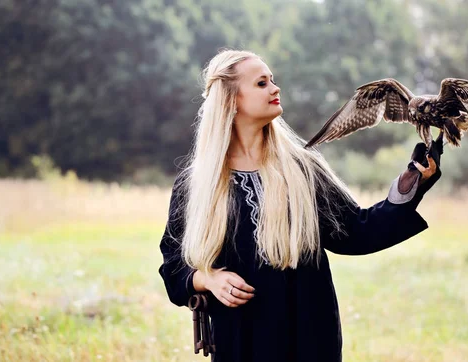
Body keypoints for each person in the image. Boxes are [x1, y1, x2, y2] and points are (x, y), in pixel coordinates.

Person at [158, 49, 442, 362]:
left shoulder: (302, 169)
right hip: (240, 344)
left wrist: (411, 184)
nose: (275, 88)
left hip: (310, 341)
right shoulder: (198, 183)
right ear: (231, 99)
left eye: (273, 80)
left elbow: (357, 232)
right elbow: (173, 266)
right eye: (262, 83)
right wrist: (206, 278)